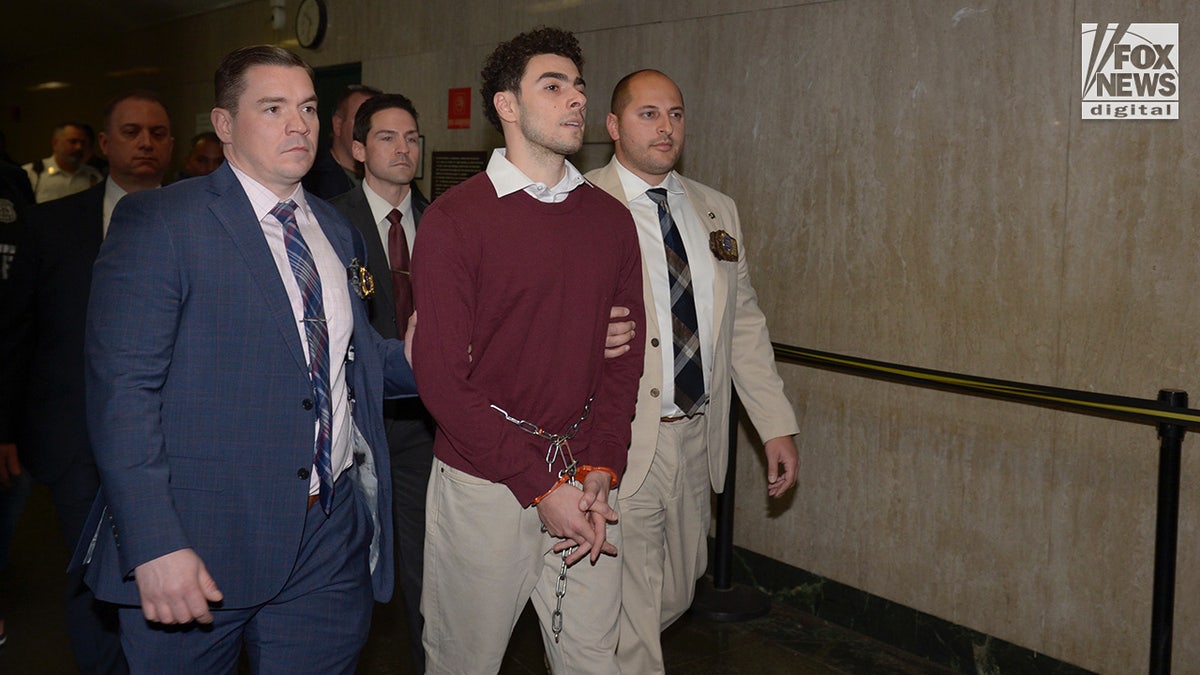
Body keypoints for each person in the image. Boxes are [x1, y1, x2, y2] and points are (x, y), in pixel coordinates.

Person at [76, 45, 416, 673]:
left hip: (328, 536)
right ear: (225, 125)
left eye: (309, 108)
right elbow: (123, 391)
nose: (300, 125)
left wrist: (447, 355)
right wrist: (154, 544)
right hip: (200, 541)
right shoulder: (162, 222)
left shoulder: (335, 231)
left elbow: (356, 363)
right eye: (274, 107)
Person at [411, 27, 645, 674]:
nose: (575, 99)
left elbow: (622, 361)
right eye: (553, 85)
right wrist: (540, 485)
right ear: (507, 106)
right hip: (484, 480)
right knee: (465, 659)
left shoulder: (609, 218)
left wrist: (602, 466)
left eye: (578, 86)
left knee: (595, 659)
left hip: (584, 472)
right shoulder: (456, 220)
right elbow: (439, 379)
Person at [585, 69, 802, 674]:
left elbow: (743, 324)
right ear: (613, 125)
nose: (665, 127)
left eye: (675, 114)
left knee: (675, 591)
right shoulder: (582, 205)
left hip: (697, 432)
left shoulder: (715, 209)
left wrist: (774, 424)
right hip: (620, 440)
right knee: (630, 617)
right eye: (648, 114)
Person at [1, 88, 176, 674]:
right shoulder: (50, 227)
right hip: (74, 438)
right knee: (90, 580)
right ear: (105, 144)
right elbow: (17, 334)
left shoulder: (201, 225)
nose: (145, 142)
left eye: (157, 132)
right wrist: (5, 427)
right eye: (130, 131)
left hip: (171, 444)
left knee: (162, 570)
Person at [329, 92, 432, 672]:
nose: (403, 148)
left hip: (424, 424)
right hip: (356, 420)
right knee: (347, 564)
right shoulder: (329, 219)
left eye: (412, 137)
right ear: (360, 148)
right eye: (388, 137)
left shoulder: (444, 220)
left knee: (423, 564)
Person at [303, 84, 381, 199]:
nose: (370, 129)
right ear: (338, 125)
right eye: (361, 120)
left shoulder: (387, 173)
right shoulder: (312, 180)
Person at [22, 122, 104, 203]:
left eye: (82, 143)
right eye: (73, 141)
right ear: (55, 143)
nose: (79, 147)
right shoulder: (32, 173)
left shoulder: (93, 176)